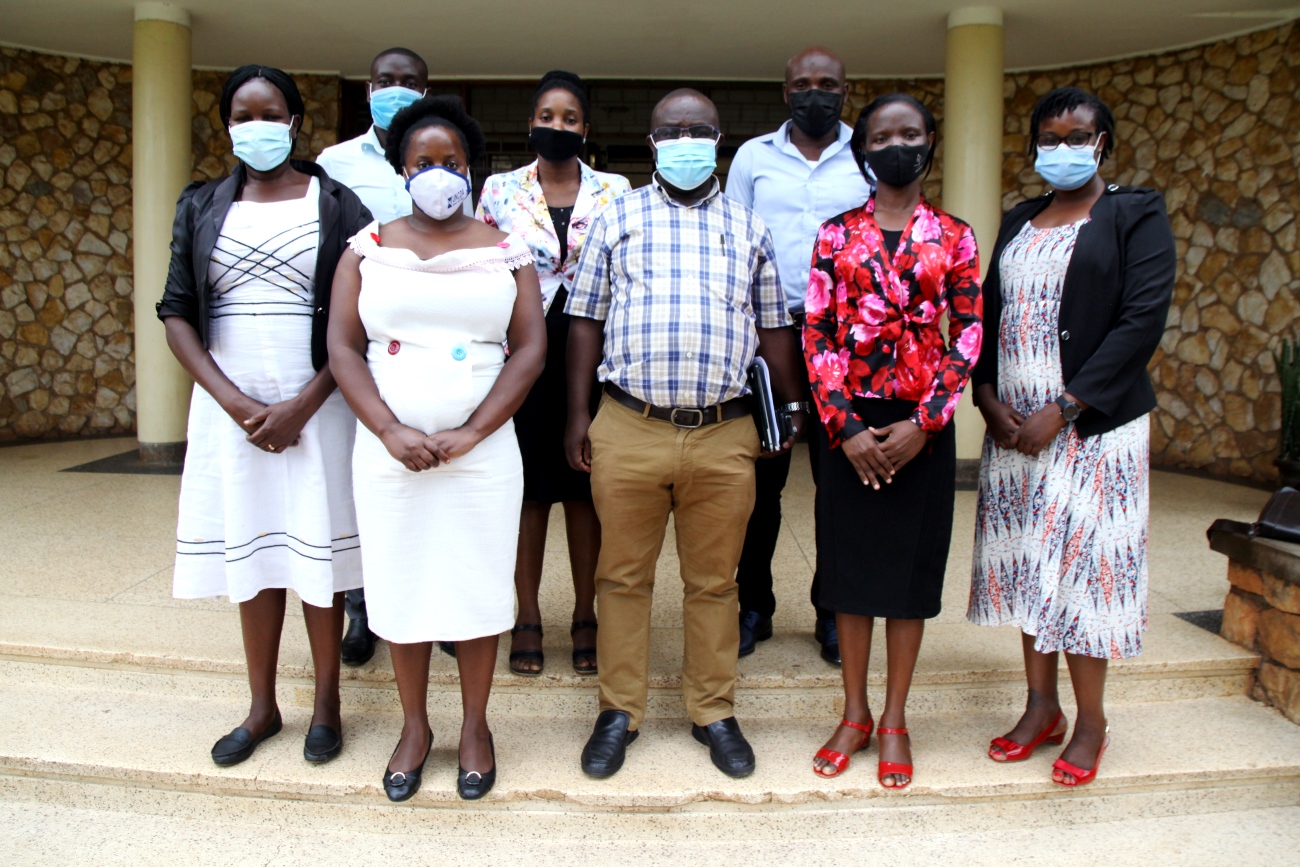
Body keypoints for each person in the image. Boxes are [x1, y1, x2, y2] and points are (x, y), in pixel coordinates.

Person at [565, 89, 807, 781]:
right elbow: (584, 320)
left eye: (699, 129)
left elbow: (773, 329)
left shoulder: (748, 226)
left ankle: (713, 710)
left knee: (714, 583)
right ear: (651, 144)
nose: (685, 139)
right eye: (672, 130)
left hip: (723, 433)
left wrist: (789, 409)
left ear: (720, 140)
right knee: (622, 577)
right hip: (629, 425)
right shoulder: (618, 217)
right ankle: (619, 710)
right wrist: (577, 416)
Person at [327, 96, 545, 802]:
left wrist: (474, 429)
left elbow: (531, 348)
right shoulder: (368, 247)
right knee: (403, 583)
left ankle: (476, 726)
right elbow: (341, 347)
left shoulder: (506, 247)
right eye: (423, 162)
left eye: (451, 161)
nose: (438, 173)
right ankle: (415, 726)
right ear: (400, 169)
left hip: (481, 454)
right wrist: (390, 430)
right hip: (390, 454)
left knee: (478, 584)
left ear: (472, 168)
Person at [157, 65, 372, 769]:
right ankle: (261, 705)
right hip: (232, 407)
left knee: (319, 555)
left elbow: (359, 317)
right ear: (227, 126)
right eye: (242, 116)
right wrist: (237, 403)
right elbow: (178, 312)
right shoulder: (200, 205)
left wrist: (304, 403)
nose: (257, 127)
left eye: (269, 113)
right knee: (254, 555)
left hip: (321, 400)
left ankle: (328, 705)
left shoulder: (336, 203)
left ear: (295, 120)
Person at [968, 86, 1175, 787]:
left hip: (1093, 431)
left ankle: (1091, 721)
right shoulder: (1018, 220)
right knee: (1032, 563)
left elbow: (1141, 319)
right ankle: (1040, 707)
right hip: (1016, 433)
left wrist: (1069, 404)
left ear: (1103, 143)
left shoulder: (1134, 214)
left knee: (1085, 572)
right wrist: (988, 398)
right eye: (1048, 138)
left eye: (1076, 135)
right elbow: (989, 316)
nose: (1062, 149)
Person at [805, 93, 982, 789]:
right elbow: (815, 331)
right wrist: (845, 428)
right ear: (863, 150)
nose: (896, 144)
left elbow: (967, 334)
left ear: (931, 141)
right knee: (851, 578)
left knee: (908, 583)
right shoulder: (833, 233)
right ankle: (854, 711)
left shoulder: (957, 235)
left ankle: (897, 717)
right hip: (848, 425)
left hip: (920, 429)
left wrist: (926, 422)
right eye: (882, 135)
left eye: (910, 133)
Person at [476, 70, 631, 677]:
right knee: (529, 492)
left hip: (596, 349)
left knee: (585, 490)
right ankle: (528, 615)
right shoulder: (497, 190)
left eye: (569, 118)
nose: (557, 126)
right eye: (547, 116)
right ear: (531, 123)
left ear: (586, 130)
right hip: (522, 351)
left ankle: (587, 615)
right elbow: (481, 266)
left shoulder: (617, 190)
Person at [725, 47, 874, 664]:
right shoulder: (753, 158)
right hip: (770, 333)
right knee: (762, 479)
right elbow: (730, 234)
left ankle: (834, 609)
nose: (816, 94)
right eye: (803, 85)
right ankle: (753, 604)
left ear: (845, 90)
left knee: (840, 482)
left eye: (828, 85)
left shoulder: (865, 153)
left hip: (845, 336)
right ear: (785, 92)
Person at [315, 46, 427, 666]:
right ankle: (364, 608)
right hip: (356, 334)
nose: (397, 89)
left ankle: (423, 601)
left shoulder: (441, 157)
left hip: (427, 344)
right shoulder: (333, 164)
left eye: (410, 82)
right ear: (368, 88)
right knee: (363, 481)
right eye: (387, 80)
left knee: (425, 472)